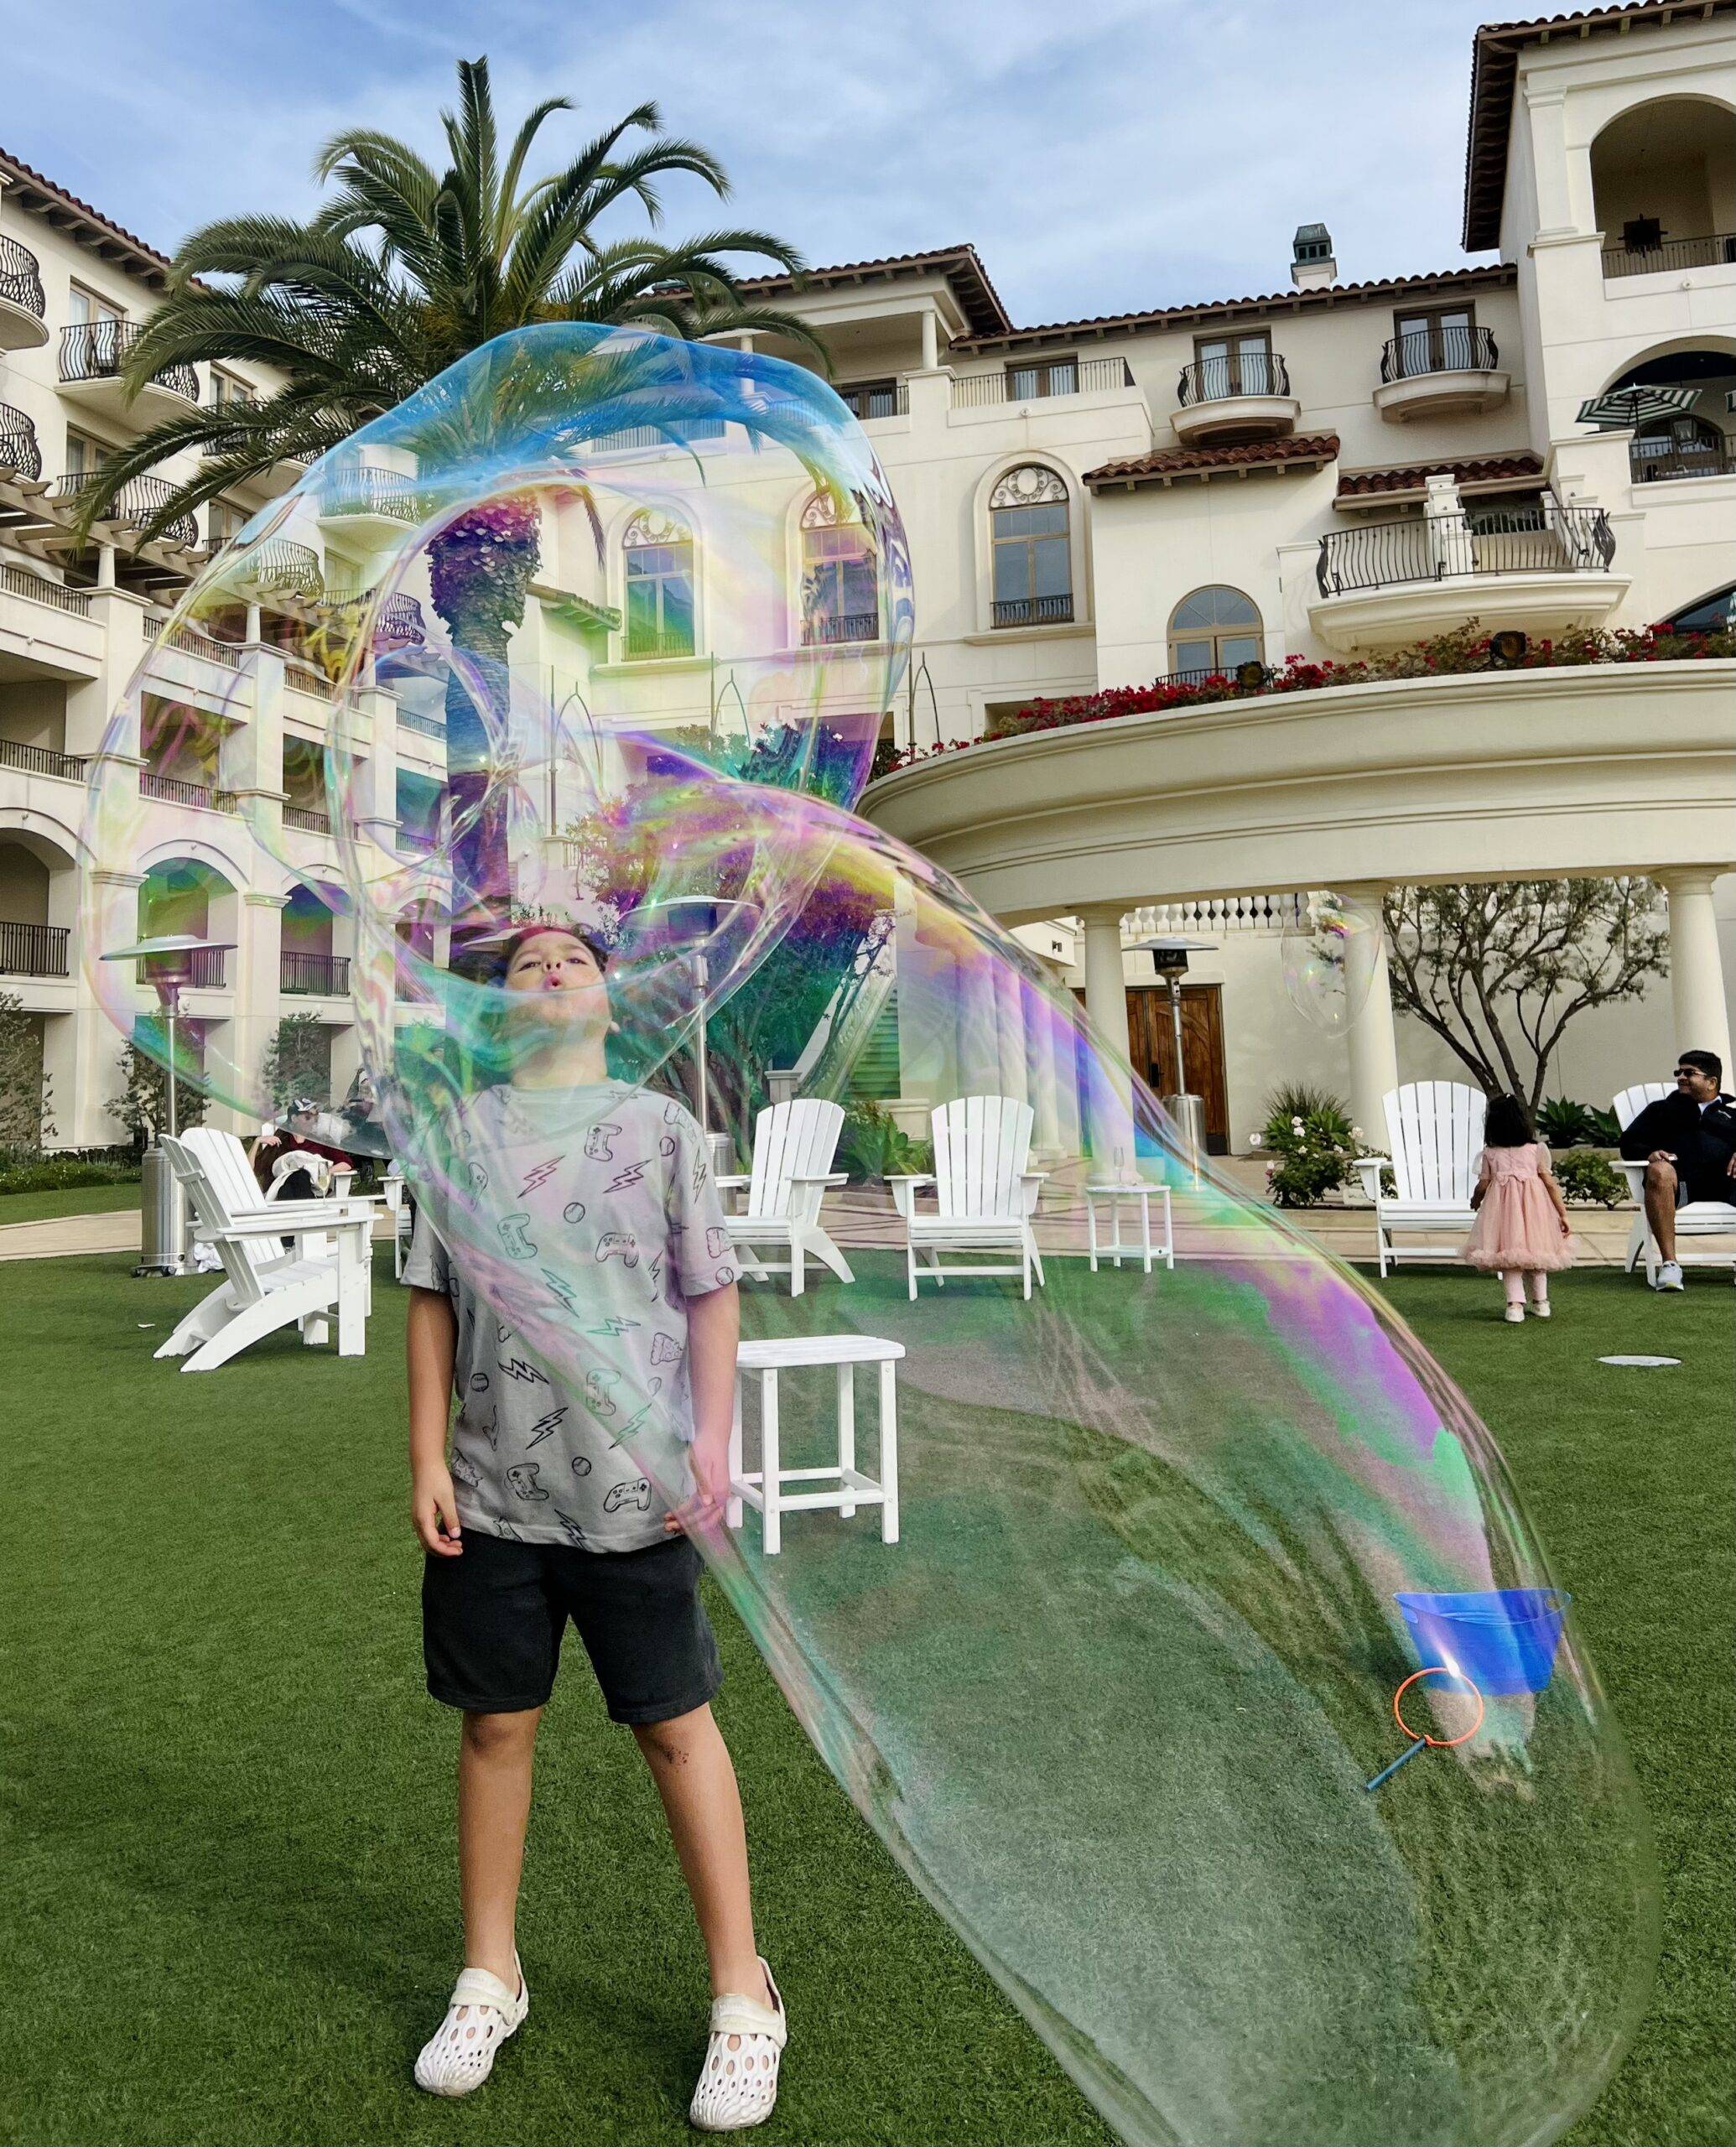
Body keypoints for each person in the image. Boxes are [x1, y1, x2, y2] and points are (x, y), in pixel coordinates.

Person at [402, 922, 786, 2130]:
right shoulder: (456, 1139)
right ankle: (489, 1973)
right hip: (491, 1491)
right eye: (526, 966)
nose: (553, 971)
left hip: (640, 1491)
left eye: (574, 959)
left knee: (676, 1731)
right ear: (499, 1009)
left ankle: (742, 1995)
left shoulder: (660, 1131)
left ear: (611, 999)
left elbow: (709, 1291)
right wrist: (424, 1456)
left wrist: (711, 1443)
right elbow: (428, 1305)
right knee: (495, 1727)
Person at [1616, 1048, 1736, 1291]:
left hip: (1727, 1183)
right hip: (1680, 1184)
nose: (1681, 1077)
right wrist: (1649, 1154)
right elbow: (1628, 1142)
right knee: (1659, 1171)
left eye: (1689, 1072)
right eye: (1678, 1072)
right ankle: (1670, 1265)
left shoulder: (1732, 1115)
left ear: (1712, 1082)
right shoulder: (1661, 1110)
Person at [1463, 1093, 1574, 1322]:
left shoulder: (1491, 1154)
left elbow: (1483, 1185)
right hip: (1536, 1212)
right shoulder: (1535, 1151)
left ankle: (1514, 1305)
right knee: (1538, 1252)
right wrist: (1562, 1213)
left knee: (1509, 1256)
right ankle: (1541, 1302)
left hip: (1503, 1214)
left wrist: (1476, 1200)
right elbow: (1550, 1184)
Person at [248, 1099, 351, 1203]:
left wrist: (323, 1172)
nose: (313, 1122)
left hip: (313, 1191)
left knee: (298, 1179)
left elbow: (346, 1164)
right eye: (308, 1117)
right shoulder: (280, 1141)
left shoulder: (321, 1140)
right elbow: (249, 1170)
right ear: (294, 1118)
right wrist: (257, 1141)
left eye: (315, 1118)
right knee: (288, 1187)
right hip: (288, 1193)